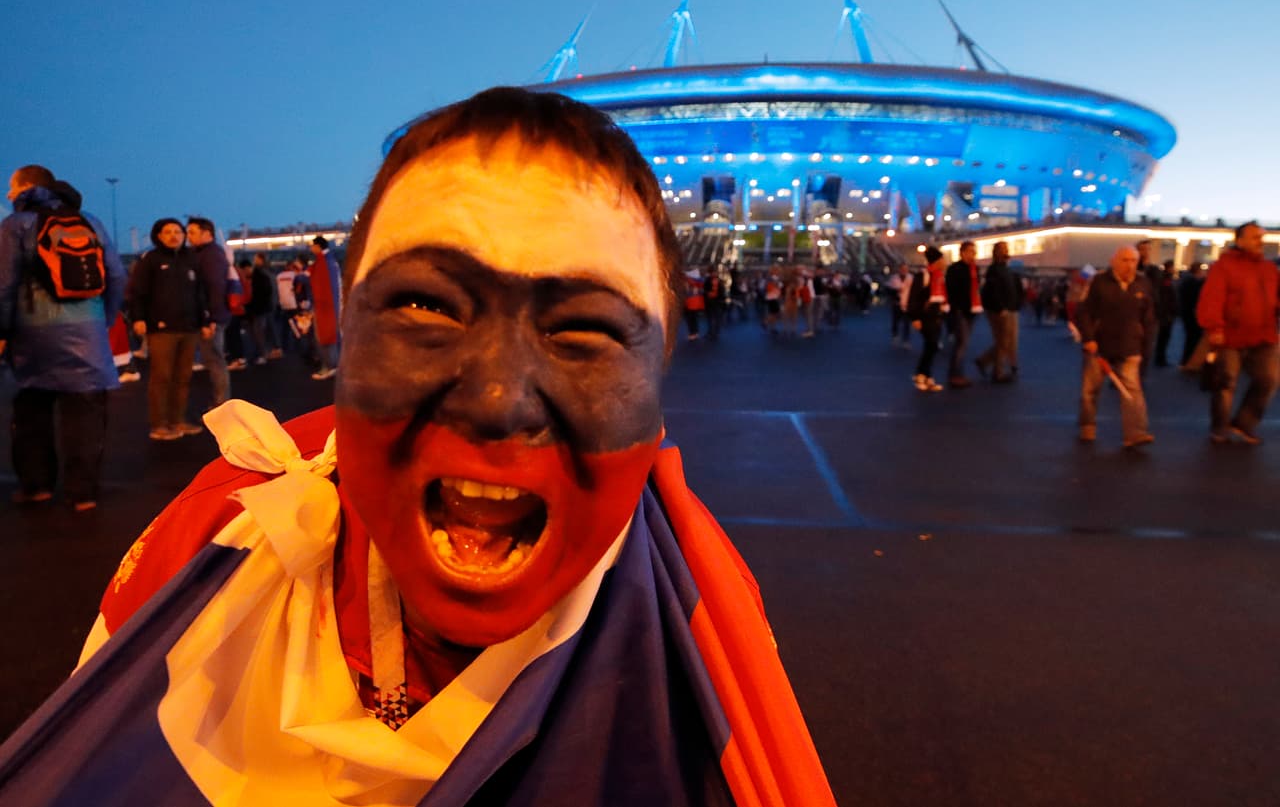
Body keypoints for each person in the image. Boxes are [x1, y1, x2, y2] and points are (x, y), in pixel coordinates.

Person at [0, 87, 834, 807]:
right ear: (342, 332)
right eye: (426, 309)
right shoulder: (196, 553)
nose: (500, 399)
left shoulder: (711, 656)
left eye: (585, 329)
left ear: (660, 381)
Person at [0, 166, 126, 510]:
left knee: (31, 413)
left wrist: (3, 332)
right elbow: (116, 274)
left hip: (33, 336)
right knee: (85, 415)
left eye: (12, 188)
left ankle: (37, 486)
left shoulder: (16, 225)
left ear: (27, 187)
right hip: (88, 332)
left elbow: (4, 285)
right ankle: (82, 494)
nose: (9, 194)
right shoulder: (90, 221)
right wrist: (104, 319)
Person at [1196, 221, 1279, 444]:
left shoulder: (1268, 269)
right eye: (1255, 237)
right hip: (1231, 335)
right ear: (1240, 240)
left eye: (1261, 237)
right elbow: (1212, 298)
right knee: (1226, 383)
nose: (1260, 241)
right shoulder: (1224, 266)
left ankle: (1244, 423)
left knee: (1269, 379)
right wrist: (1214, 327)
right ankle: (1220, 427)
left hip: (1264, 335)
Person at [130, 218, 208, 440]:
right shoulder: (151, 260)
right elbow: (138, 292)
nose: (174, 235)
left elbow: (199, 293)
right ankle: (159, 424)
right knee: (161, 377)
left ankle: (178, 420)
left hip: (189, 328)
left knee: (183, 377)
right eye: (168, 232)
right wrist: (138, 318)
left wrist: (204, 321)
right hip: (161, 329)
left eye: (178, 231)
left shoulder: (190, 259)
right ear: (158, 236)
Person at [1075, 245, 1155, 448]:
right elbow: (1085, 312)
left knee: (1132, 391)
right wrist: (1089, 338)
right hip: (1100, 345)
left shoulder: (1143, 284)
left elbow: (1149, 318)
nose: (1129, 265)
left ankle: (1135, 432)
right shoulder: (1100, 282)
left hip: (1130, 346)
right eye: (1125, 260)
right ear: (1114, 261)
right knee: (1090, 390)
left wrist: (1145, 345)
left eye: (1133, 261)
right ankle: (1087, 425)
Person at [186, 217, 230, 409]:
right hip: (209, 316)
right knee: (213, 359)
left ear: (207, 233)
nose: (188, 237)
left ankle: (222, 403)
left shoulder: (211, 255)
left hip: (211, 318)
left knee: (214, 360)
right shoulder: (204, 253)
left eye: (192, 232)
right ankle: (221, 400)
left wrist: (211, 318)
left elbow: (215, 287)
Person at [975, 240, 1022, 383]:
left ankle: (986, 362)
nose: (1006, 251)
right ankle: (998, 371)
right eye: (1003, 249)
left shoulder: (1005, 269)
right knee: (1004, 341)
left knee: (1009, 341)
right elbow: (993, 291)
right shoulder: (994, 270)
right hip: (1001, 310)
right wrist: (1000, 306)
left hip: (1010, 308)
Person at [905, 247, 947, 392]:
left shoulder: (939, 276)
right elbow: (914, 297)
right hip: (925, 316)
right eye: (942, 259)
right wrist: (915, 317)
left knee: (932, 346)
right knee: (932, 345)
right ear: (936, 261)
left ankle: (927, 376)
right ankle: (920, 374)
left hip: (936, 316)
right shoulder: (923, 276)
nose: (945, 262)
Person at [944, 240, 982, 388]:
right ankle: (955, 374)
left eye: (974, 251)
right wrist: (958, 307)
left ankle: (957, 373)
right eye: (971, 251)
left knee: (963, 343)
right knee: (961, 343)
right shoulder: (956, 269)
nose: (974, 254)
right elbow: (953, 290)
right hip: (961, 310)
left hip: (971, 310)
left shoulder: (973, 269)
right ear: (963, 252)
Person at [308, 235, 341, 379]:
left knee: (325, 335)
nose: (311, 248)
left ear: (318, 246)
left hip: (325, 307)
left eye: (313, 245)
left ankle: (330, 366)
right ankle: (331, 365)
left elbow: (323, 287)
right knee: (330, 335)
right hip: (329, 306)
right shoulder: (329, 261)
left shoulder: (324, 262)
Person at [246, 252, 278, 363]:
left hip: (262, 306)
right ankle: (274, 349)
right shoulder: (270, 272)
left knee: (259, 330)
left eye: (255, 259)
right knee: (269, 328)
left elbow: (261, 292)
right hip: (270, 304)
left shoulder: (259, 274)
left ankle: (264, 353)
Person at [1177, 263, 1206, 369]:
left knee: (1190, 338)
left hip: (1187, 313)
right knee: (1193, 339)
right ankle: (1189, 361)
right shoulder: (1194, 283)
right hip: (1192, 314)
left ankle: (1187, 361)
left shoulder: (1186, 281)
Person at [1152, 259, 1179, 367]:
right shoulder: (1166, 280)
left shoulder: (1167, 279)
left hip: (1167, 313)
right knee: (1163, 337)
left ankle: (1160, 357)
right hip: (1166, 314)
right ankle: (1160, 358)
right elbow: (1166, 298)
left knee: (1164, 337)